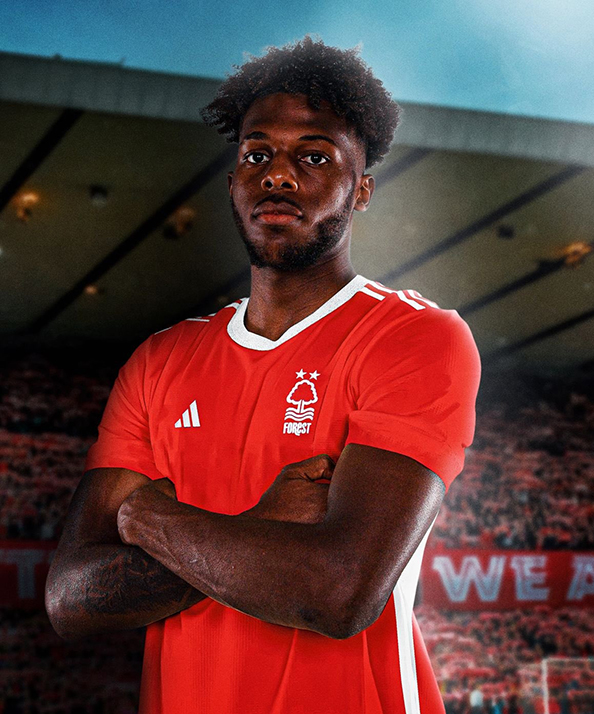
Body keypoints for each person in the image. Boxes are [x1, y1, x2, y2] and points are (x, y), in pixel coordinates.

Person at [46, 36, 480, 714]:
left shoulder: (413, 336)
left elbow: (337, 591)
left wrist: (148, 517)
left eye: (314, 156)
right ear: (232, 183)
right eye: (257, 154)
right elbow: (70, 598)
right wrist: (259, 526)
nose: (278, 174)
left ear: (362, 190)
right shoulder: (160, 360)